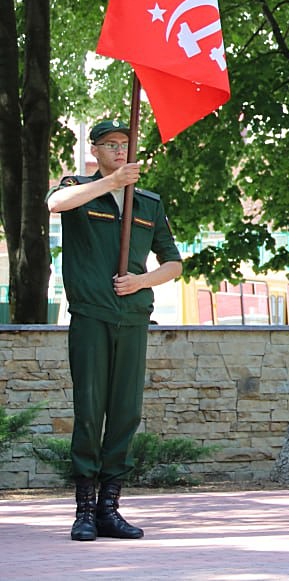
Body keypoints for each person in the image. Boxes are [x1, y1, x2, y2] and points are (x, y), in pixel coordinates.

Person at [46, 119, 184, 542]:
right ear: (95, 151)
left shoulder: (148, 203)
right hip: (91, 315)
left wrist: (142, 281)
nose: (120, 150)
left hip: (133, 317)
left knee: (126, 412)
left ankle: (110, 506)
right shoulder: (79, 189)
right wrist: (110, 183)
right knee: (90, 410)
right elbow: (55, 204)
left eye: (125, 144)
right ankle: (85, 509)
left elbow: (173, 263)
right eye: (110, 144)